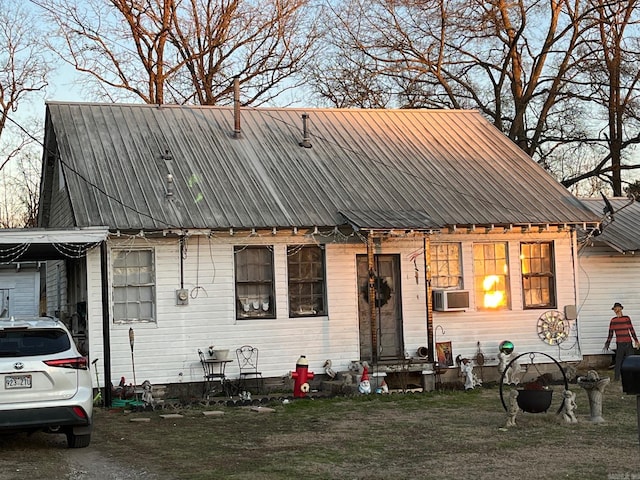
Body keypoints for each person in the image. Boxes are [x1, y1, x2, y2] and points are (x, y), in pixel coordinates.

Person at [604, 302, 639, 381]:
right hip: (620, 343)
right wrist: (607, 343)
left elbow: (631, 330)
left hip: (628, 342)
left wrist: (636, 340)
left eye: (618, 309)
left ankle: (632, 377)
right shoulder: (613, 320)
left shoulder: (627, 318)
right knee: (618, 361)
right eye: (615, 309)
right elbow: (610, 333)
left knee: (631, 360)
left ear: (621, 309)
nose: (616, 310)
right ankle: (617, 378)